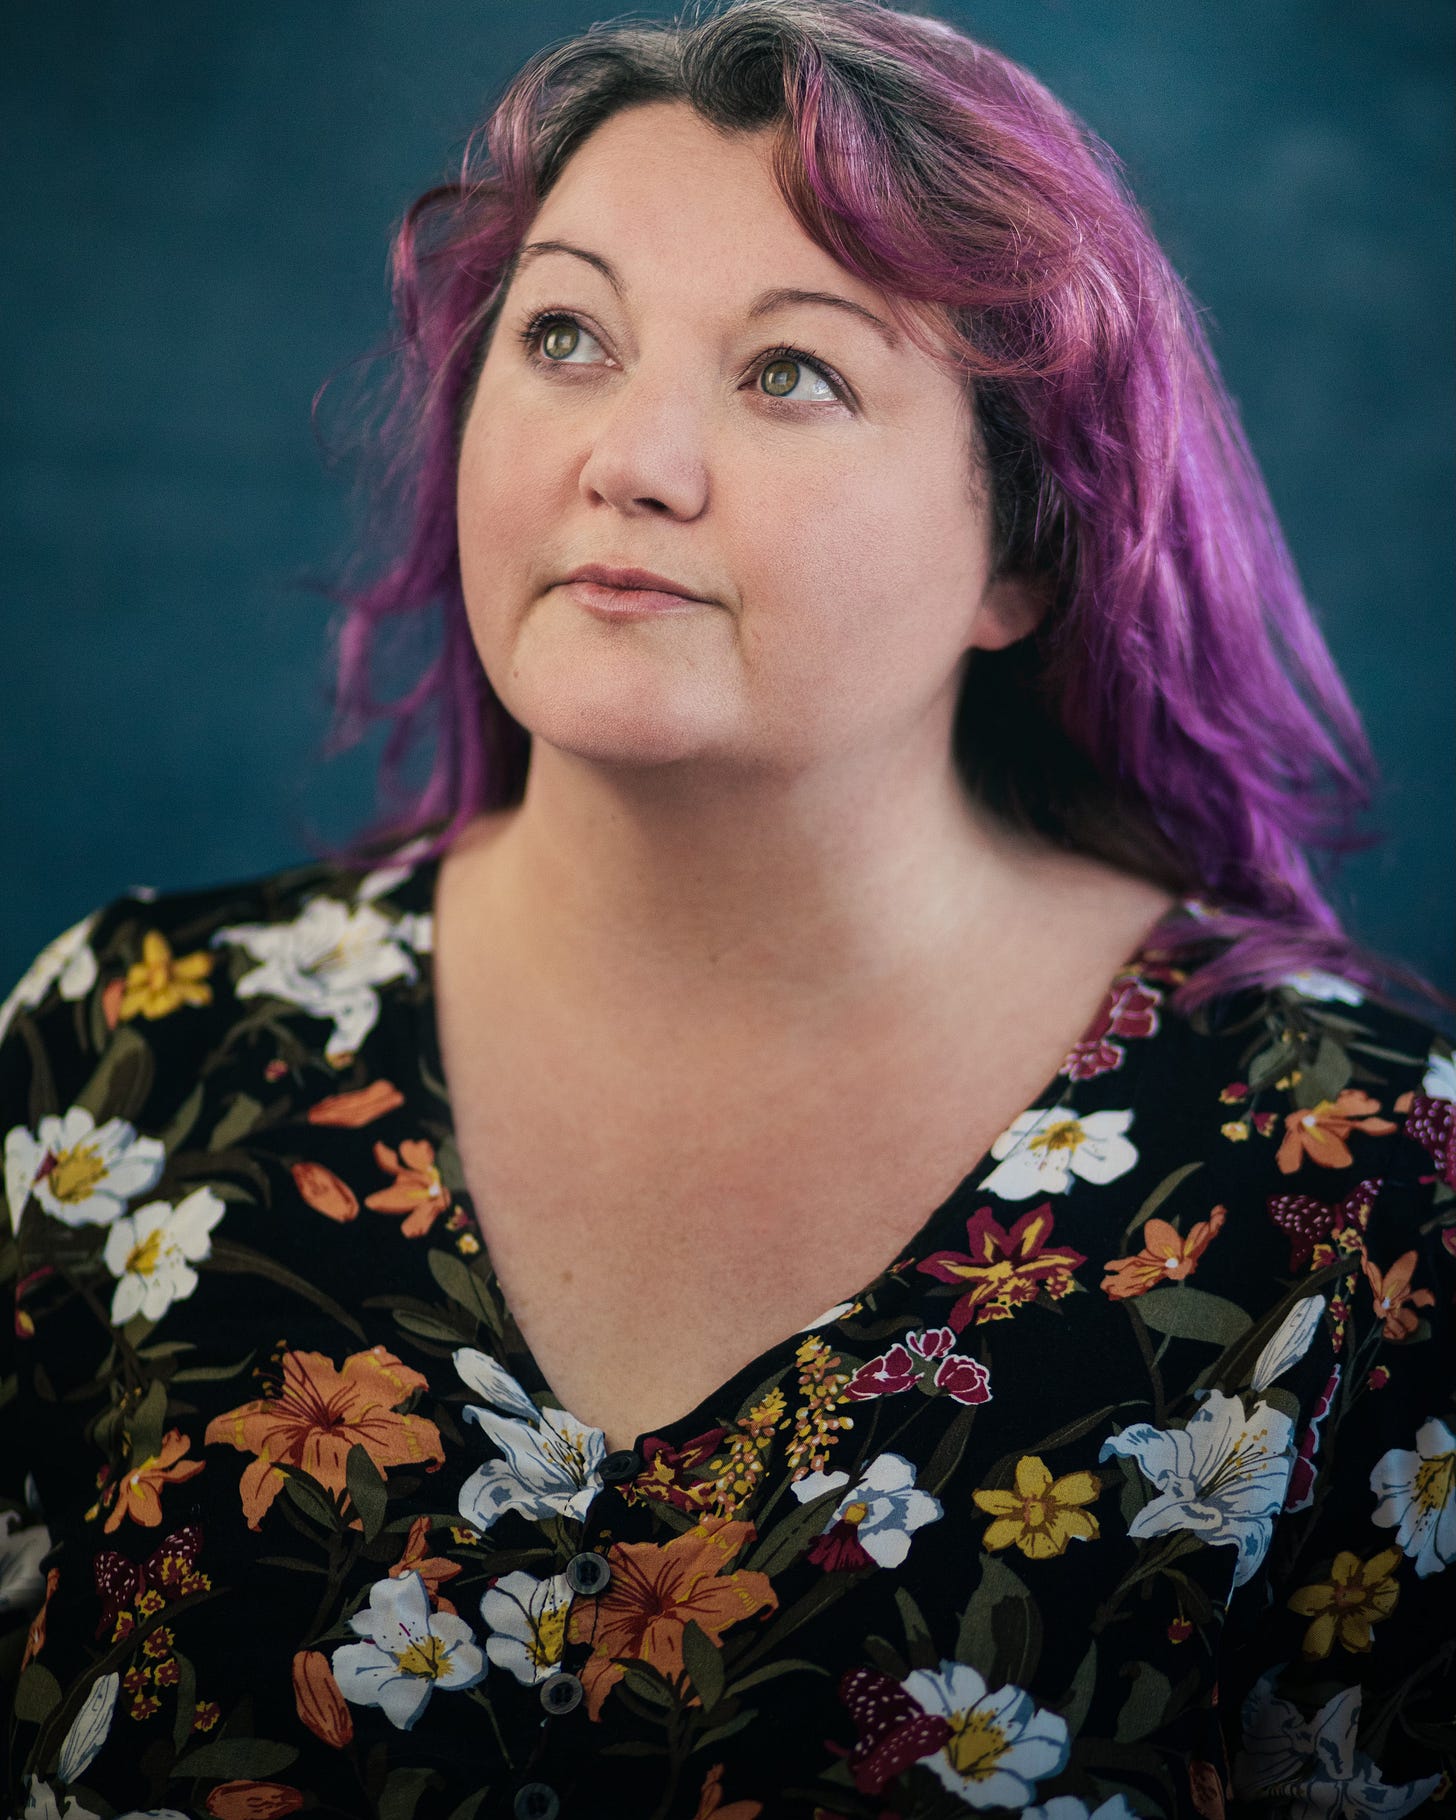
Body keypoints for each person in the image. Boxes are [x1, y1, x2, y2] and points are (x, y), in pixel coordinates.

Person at [2, 2, 1452, 1815]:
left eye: (790, 372)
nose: (631, 459)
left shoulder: (1356, 1184)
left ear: (1023, 546)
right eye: (565, 337)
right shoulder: (125, 1053)